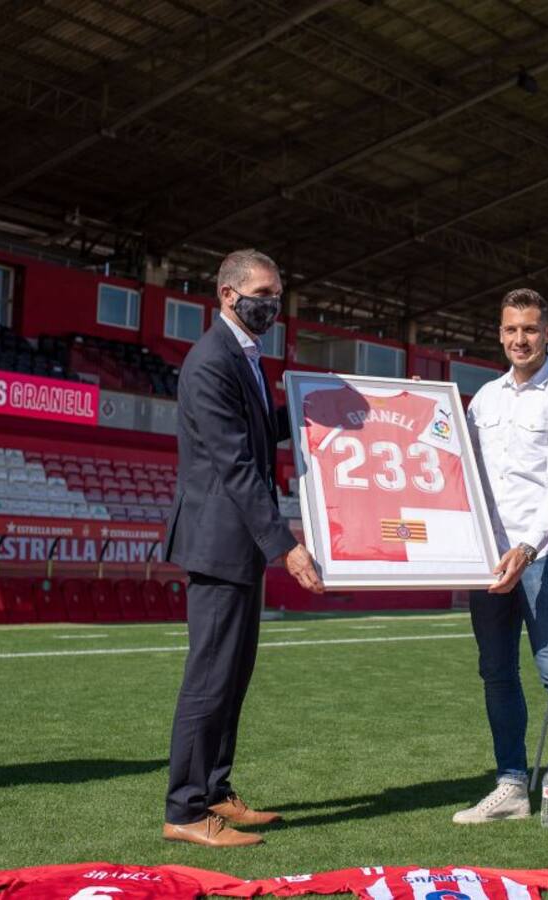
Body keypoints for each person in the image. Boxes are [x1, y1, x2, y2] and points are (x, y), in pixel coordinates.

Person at [163, 248, 324, 848]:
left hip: (238, 548)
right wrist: (286, 545)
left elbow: (262, 431)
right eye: (263, 294)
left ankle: (215, 790)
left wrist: (342, 403)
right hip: (217, 543)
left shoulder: (246, 356)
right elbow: (235, 463)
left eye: (277, 295)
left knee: (233, 676)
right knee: (209, 679)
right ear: (228, 295)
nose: (272, 305)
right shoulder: (211, 360)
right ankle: (184, 811)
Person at [453, 287, 548, 850]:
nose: (521, 339)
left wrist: (529, 548)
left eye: (531, 329)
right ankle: (512, 785)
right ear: (500, 334)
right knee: (496, 672)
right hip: (488, 559)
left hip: (542, 557)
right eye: (512, 329)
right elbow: (459, 470)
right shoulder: (483, 401)